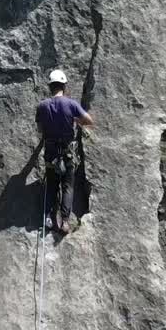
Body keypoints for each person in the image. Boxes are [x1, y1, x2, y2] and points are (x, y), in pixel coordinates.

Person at [35, 69, 94, 234]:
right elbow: (89, 121)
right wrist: (74, 119)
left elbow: (40, 129)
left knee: (52, 185)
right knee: (68, 186)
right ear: (64, 86)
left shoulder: (42, 106)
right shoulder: (71, 104)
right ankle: (65, 222)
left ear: (50, 87)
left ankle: (48, 219)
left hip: (51, 153)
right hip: (68, 152)